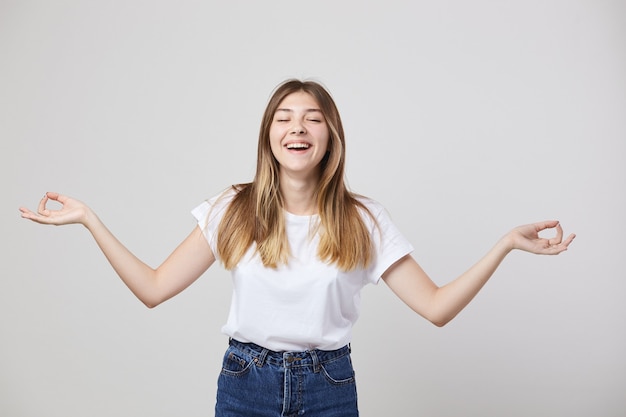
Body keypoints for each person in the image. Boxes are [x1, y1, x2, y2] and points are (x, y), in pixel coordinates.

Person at [19, 79, 575, 417]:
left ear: (330, 135)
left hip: (330, 386)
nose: (297, 127)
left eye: (312, 118)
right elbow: (153, 288)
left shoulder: (363, 220)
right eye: (283, 118)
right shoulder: (231, 209)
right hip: (244, 384)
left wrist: (504, 245)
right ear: (269, 136)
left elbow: (435, 308)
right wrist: (90, 220)